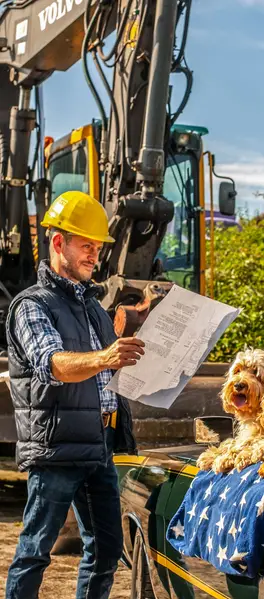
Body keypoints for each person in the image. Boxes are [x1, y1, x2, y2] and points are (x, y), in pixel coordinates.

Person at [5, 190, 145, 599]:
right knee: (35, 552)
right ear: (58, 243)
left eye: (97, 247)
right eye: (86, 245)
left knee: (106, 550)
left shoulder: (94, 309)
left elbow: (107, 372)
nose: (94, 255)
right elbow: (51, 364)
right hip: (56, 447)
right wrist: (106, 356)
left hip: (98, 444)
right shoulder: (32, 305)